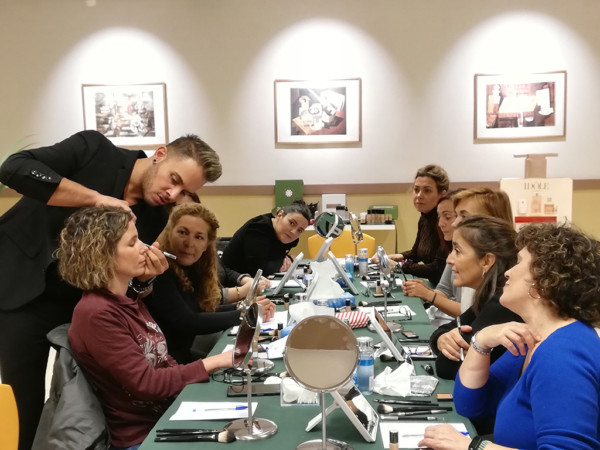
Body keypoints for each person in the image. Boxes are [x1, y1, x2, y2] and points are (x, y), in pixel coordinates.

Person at [0, 129, 221, 450]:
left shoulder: (154, 216)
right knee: (24, 404)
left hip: (78, 307)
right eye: (174, 179)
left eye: (185, 191)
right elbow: (13, 168)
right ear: (160, 154)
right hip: (18, 284)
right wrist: (94, 198)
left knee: (77, 402)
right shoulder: (94, 150)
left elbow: (123, 287)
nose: (173, 194)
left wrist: (144, 281)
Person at [57, 207, 234, 449]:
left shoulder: (128, 299)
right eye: (133, 243)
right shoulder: (96, 313)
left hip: (166, 417)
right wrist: (216, 362)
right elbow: (147, 384)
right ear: (102, 254)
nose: (145, 248)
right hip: (143, 436)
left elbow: (162, 359)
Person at [419, 223, 600, 450]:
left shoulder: (563, 354)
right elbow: (470, 405)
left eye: (519, 262)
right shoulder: (533, 337)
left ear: (544, 280)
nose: (507, 272)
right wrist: (481, 341)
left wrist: (474, 447)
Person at [145, 203, 276, 364]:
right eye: (182, 232)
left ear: (207, 245)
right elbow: (188, 321)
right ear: (169, 234)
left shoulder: (194, 268)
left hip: (182, 355)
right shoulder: (159, 270)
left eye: (199, 237)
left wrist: (245, 307)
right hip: (167, 364)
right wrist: (246, 314)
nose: (189, 243)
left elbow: (201, 308)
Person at [403, 187, 513, 327]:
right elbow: (466, 319)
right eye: (456, 215)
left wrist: (428, 294)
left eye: (464, 217)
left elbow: (468, 319)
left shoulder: (502, 295)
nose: (454, 223)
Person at [430, 216, 522, 380]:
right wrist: (441, 339)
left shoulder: (502, 304)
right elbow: (449, 328)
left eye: (457, 251)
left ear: (487, 261)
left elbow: (447, 366)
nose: (449, 260)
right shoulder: (488, 296)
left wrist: (444, 344)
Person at [373, 164, 449, 285]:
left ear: (442, 194)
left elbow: (437, 269)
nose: (419, 195)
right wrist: (389, 257)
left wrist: (397, 266)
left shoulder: (445, 224)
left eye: (427, 190)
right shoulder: (424, 218)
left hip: (443, 289)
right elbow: (415, 253)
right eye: (416, 190)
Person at [402, 189, 462, 328]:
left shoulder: (475, 257)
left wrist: (428, 295)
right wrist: (424, 290)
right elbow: (444, 289)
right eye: (439, 217)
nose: (440, 223)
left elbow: (467, 311)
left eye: (448, 217)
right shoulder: (452, 248)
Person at [221, 200, 311, 277]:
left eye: (299, 230)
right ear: (280, 215)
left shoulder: (289, 238)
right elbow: (259, 271)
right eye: (291, 223)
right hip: (230, 282)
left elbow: (275, 262)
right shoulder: (258, 229)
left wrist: (286, 260)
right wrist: (290, 259)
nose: (294, 232)